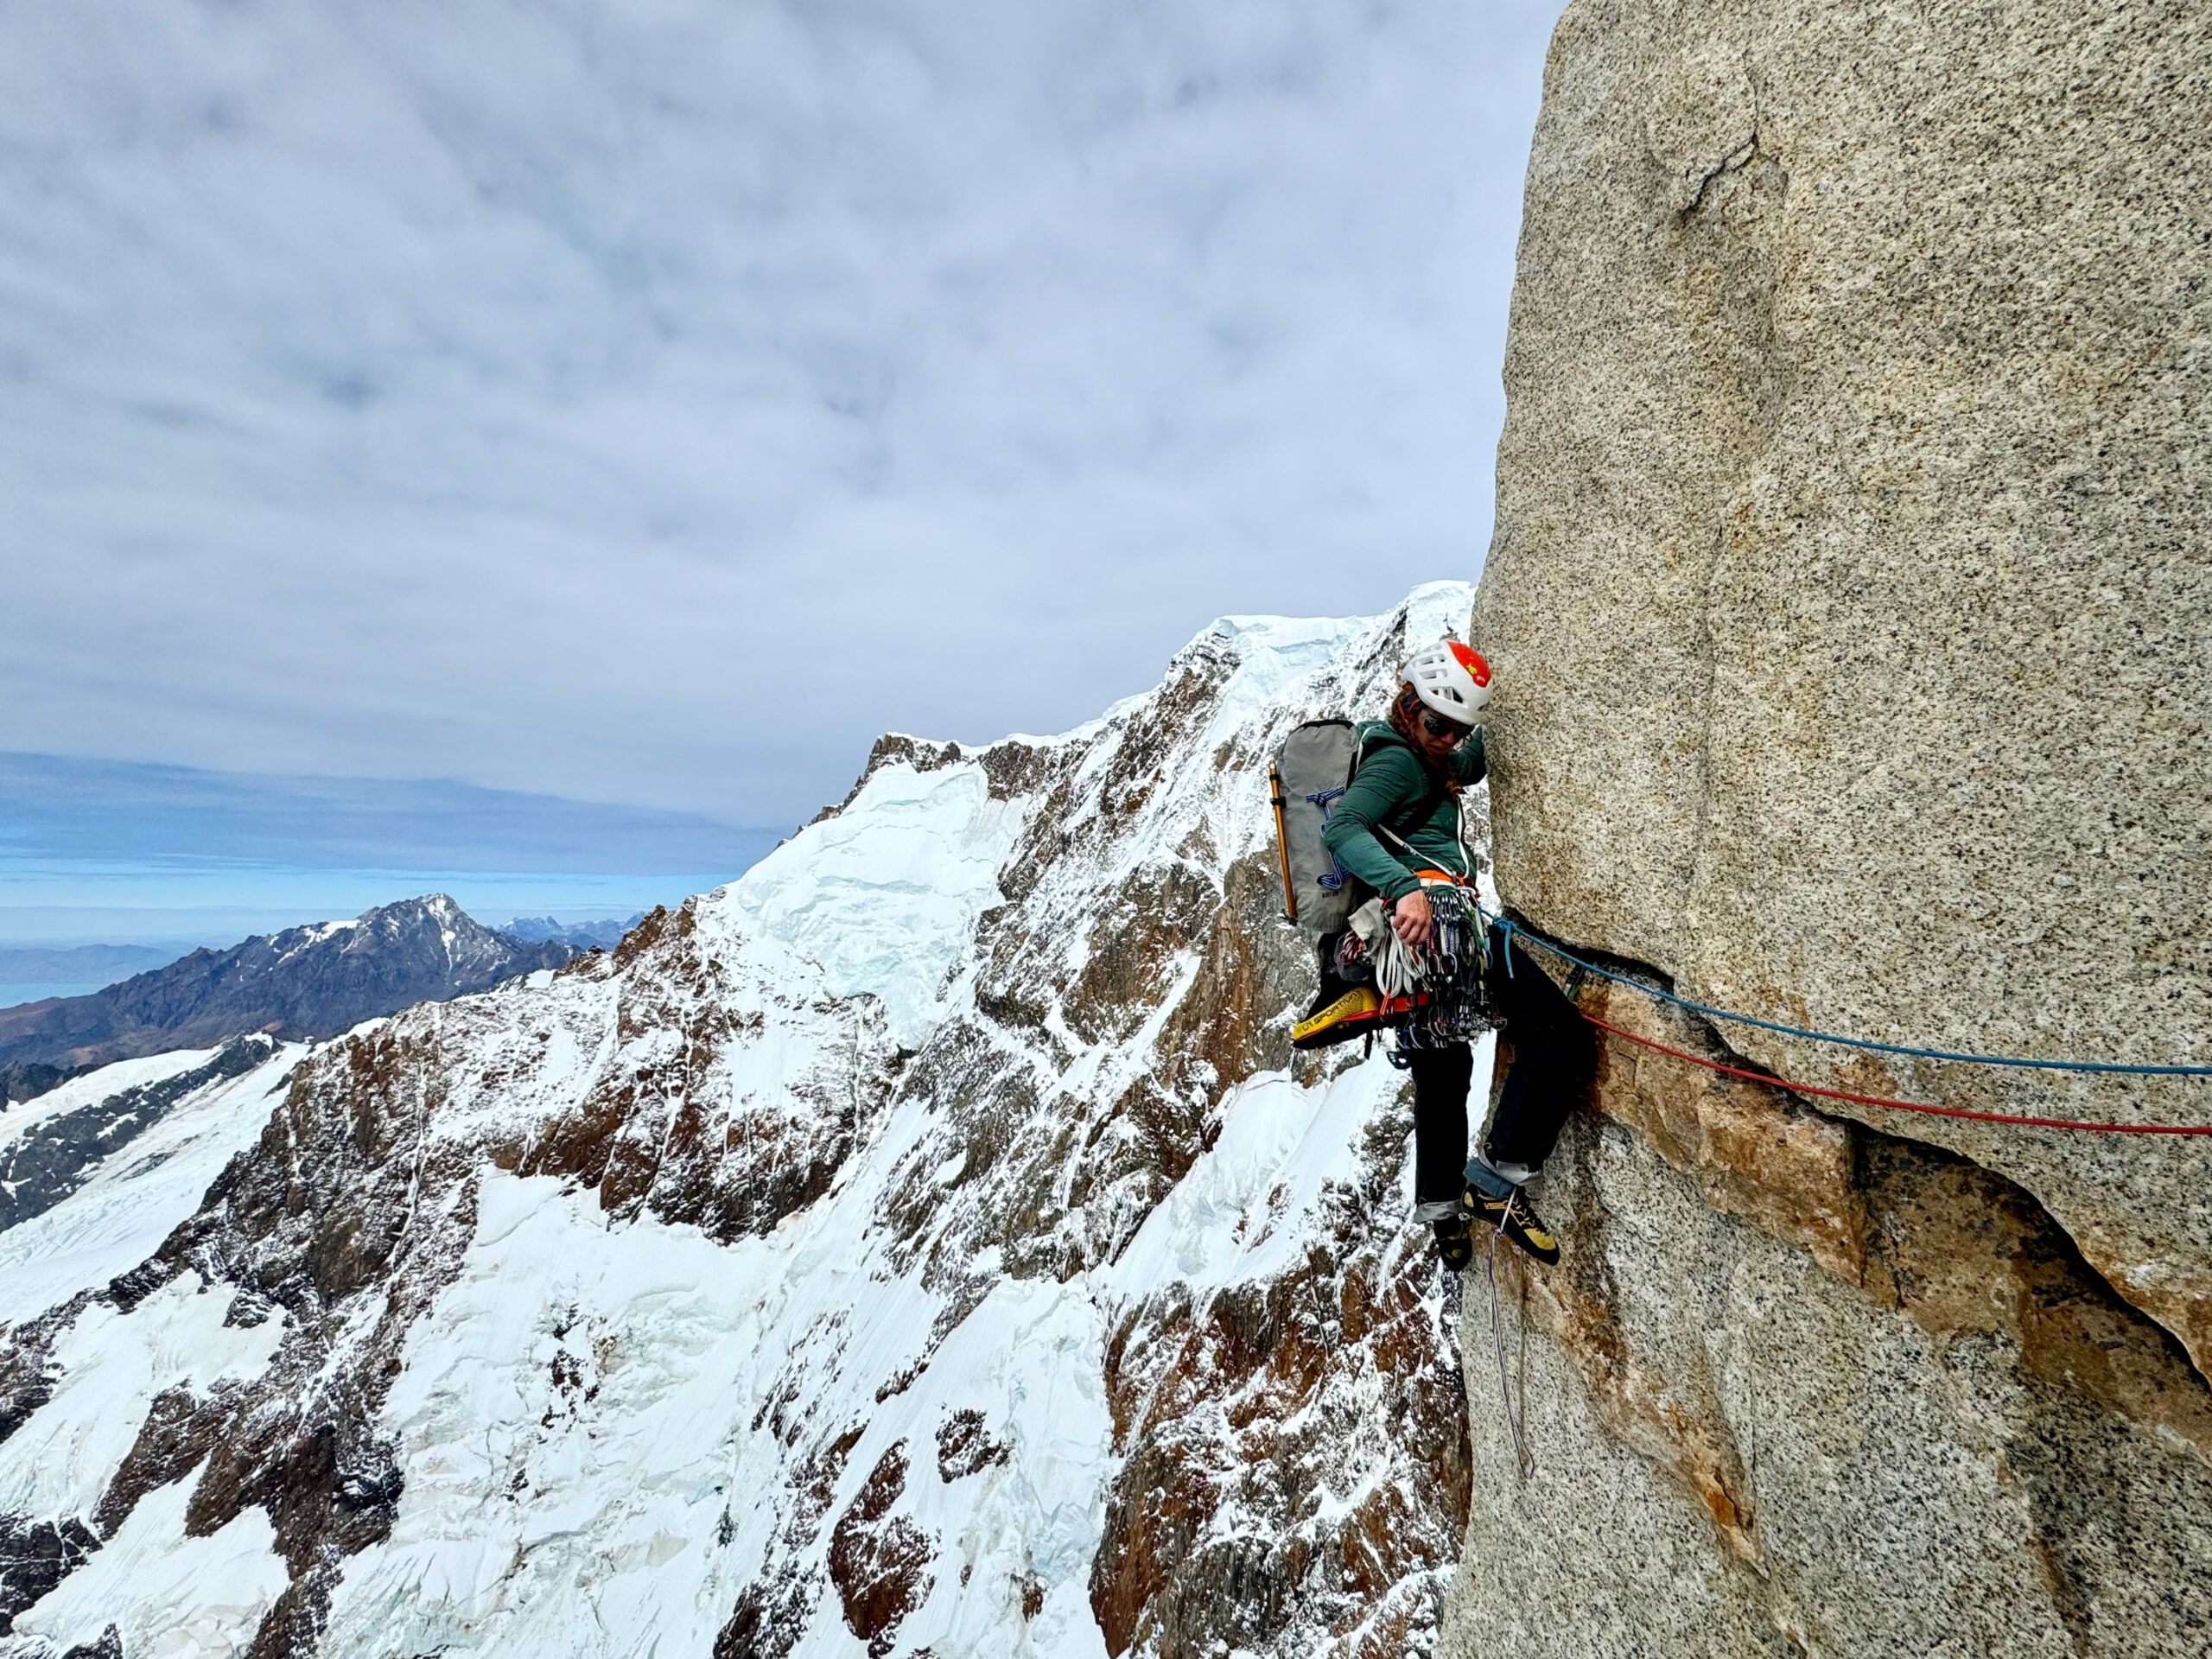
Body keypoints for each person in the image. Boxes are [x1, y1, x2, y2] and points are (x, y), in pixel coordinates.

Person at [1316, 640, 1590, 1269]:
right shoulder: (1398, 765)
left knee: (1442, 1067)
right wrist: (1405, 886)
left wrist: (1506, 716)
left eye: (1458, 728)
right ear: (1408, 707)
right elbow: (1343, 827)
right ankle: (1493, 1183)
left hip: (1418, 944)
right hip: (1437, 926)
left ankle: (1442, 1210)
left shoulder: (1423, 757)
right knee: (1559, 1034)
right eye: (1438, 724)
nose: (1447, 739)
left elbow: (1462, 769)